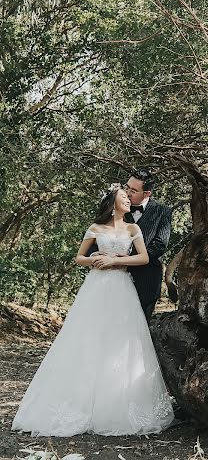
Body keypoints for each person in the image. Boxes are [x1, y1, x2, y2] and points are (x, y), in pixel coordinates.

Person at [12, 184, 174, 437]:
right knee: (88, 337)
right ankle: (82, 400)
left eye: (130, 196)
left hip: (122, 287)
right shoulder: (96, 228)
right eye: (124, 197)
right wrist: (94, 259)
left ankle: (115, 399)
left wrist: (116, 260)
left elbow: (143, 258)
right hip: (96, 287)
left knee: (121, 340)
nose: (129, 200)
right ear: (112, 204)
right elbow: (80, 257)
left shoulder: (134, 228)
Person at [123, 168, 172, 321]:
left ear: (147, 194)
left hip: (147, 279)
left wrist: (127, 261)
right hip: (116, 278)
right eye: (127, 187)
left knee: (139, 326)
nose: (128, 193)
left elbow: (159, 245)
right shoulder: (116, 208)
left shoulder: (163, 211)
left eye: (134, 190)